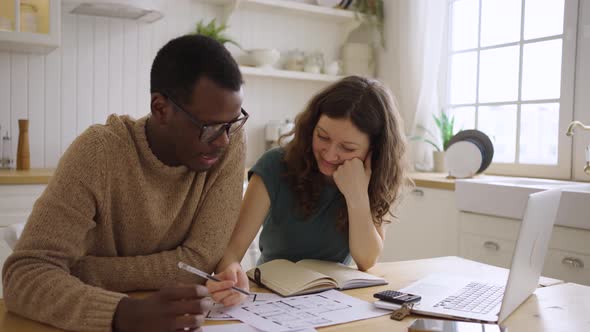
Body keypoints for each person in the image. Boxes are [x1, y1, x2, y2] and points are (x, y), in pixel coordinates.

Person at [2, 35, 249, 332]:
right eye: (210, 127)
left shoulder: (228, 142)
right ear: (160, 109)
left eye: (232, 123)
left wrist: (86, 270)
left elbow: (199, 261)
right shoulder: (99, 153)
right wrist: (124, 313)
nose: (223, 140)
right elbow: (24, 275)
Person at [208, 76, 409, 307]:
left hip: (333, 299)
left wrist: (357, 196)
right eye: (322, 136)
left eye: (347, 148)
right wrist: (231, 273)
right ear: (311, 126)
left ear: (373, 150)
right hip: (272, 294)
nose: (330, 154)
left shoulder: (370, 179)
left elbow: (366, 260)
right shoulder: (275, 166)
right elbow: (231, 253)